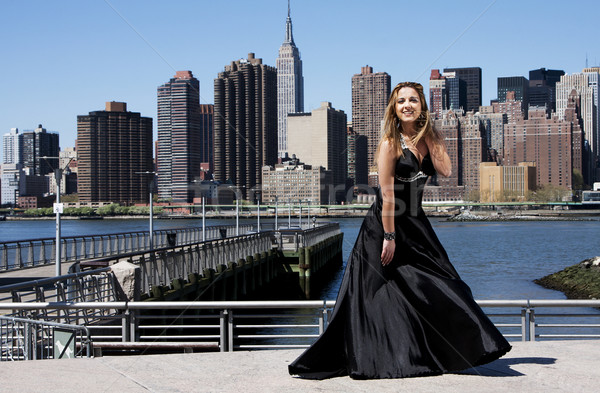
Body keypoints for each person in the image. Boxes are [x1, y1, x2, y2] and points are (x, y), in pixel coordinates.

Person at [288, 82, 511, 380]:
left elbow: (445, 170)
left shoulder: (426, 139)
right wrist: (389, 237)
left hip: (417, 223)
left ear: (422, 106)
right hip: (384, 225)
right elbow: (388, 195)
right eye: (401, 101)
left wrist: (431, 135)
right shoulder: (389, 144)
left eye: (413, 100)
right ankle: (377, 358)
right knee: (376, 293)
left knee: (444, 281)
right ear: (394, 108)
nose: (407, 105)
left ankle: (451, 348)